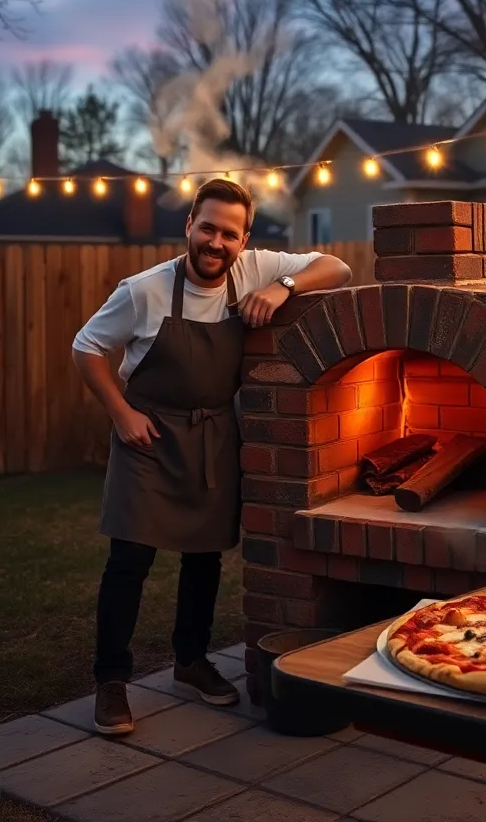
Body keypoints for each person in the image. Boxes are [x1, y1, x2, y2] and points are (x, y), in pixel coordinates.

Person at [72, 178, 351, 735]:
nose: (216, 242)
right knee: (130, 561)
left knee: (204, 558)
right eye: (207, 228)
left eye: (230, 233)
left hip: (215, 434)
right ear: (189, 227)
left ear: (244, 241)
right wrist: (122, 415)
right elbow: (86, 347)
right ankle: (111, 682)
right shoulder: (143, 290)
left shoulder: (253, 272)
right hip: (147, 434)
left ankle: (191, 661)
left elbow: (337, 268)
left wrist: (285, 287)